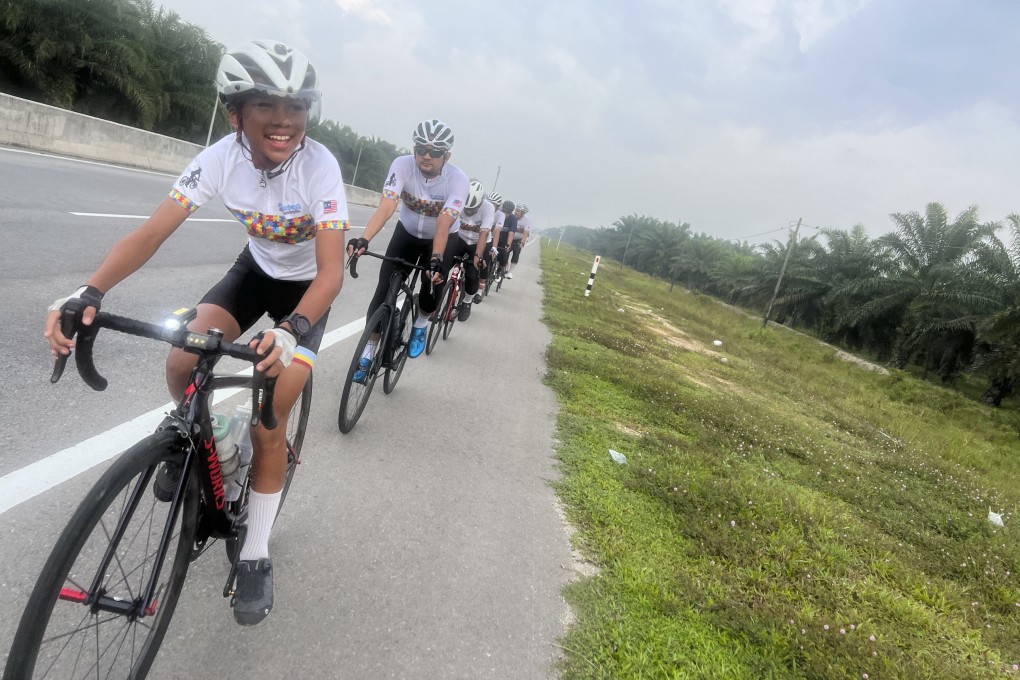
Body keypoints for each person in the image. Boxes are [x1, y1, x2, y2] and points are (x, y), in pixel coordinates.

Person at [44, 40, 349, 626]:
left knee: (269, 417)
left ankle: (254, 551)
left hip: (307, 294)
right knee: (182, 360)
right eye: (266, 104)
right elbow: (150, 235)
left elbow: (332, 272)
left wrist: (292, 330)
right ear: (235, 113)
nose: (284, 120)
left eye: (297, 106)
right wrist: (89, 292)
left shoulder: (321, 167)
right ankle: (208, 439)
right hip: (253, 274)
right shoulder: (218, 159)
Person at [346, 119, 469, 371]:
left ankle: (421, 324)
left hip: (441, 238)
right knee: (382, 293)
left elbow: (444, 221)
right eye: (421, 149)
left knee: (431, 287)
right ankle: (369, 350)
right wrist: (364, 239)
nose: (427, 156)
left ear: (446, 156)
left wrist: (436, 258)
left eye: (435, 152)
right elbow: (387, 205)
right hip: (407, 233)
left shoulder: (458, 180)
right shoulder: (402, 165)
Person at [448, 179, 495, 321]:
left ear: (480, 203)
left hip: (479, 242)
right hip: (460, 238)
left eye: (472, 209)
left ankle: (467, 302)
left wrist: (478, 255)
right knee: (442, 265)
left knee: (472, 274)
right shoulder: (458, 199)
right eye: (466, 209)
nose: (468, 212)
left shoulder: (488, 208)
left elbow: (484, 233)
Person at [474, 190, 503, 303]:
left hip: (487, 237)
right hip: (474, 236)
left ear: (498, 207)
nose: (491, 205)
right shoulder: (482, 207)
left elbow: (497, 230)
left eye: (494, 204)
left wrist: (494, 247)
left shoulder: (500, 215)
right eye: (489, 202)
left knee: (484, 261)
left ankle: (480, 289)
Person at [494, 199, 517, 280]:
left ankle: (500, 270)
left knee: (503, 255)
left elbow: (511, 233)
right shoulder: (498, 214)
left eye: (508, 212)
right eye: (504, 211)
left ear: (511, 212)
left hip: (504, 238)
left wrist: (508, 244)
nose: (506, 214)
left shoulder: (513, 219)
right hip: (494, 235)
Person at [509, 203, 533, 277]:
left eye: (518, 211)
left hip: (518, 239)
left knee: (516, 253)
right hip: (508, 237)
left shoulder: (527, 221)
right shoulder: (511, 217)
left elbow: (526, 233)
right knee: (504, 252)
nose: (515, 212)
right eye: (515, 210)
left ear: (523, 213)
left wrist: (522, 242)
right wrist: (519, 229)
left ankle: (510, 272)